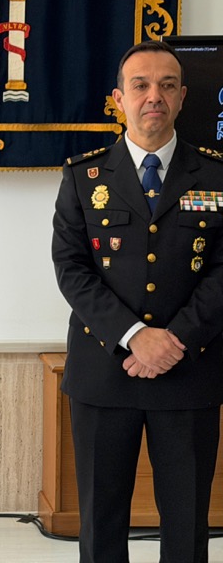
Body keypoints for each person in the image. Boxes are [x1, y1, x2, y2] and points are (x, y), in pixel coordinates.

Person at [52, 39, 223, 562]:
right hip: (105, 372)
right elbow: (72, 269)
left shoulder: (217, 174)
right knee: (101, 525)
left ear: (182, 96)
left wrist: (175, 340)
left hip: (188, 371)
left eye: (167, 85)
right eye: (141, 85)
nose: (155, 96)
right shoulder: (83, 175)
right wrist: (135, 337)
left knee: (187, 525)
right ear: (119, 99)